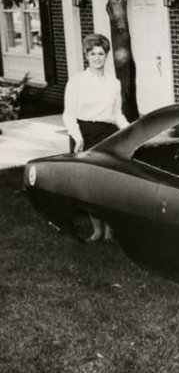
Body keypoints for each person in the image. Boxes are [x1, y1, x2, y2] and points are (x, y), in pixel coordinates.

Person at [62, 33, 130, 242]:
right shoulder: (77, 82)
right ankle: (97, 230)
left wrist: (130, 131)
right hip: (83, 134)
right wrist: (77, 137)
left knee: (108, 183)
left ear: (106, 55)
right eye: (92, 54)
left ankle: (110, 231)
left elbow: (117, 113)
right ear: (86, 56)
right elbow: (68, 114)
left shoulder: (114, 83)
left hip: (107, 134)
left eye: (100, 53)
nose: (97, 58)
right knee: (88, 185)